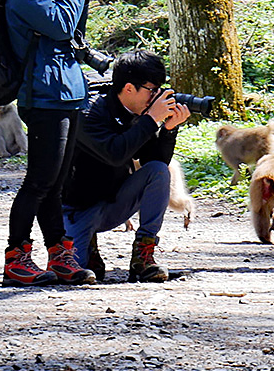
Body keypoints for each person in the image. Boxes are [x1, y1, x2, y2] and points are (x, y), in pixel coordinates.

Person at [0, 0, 96, 286]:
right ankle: (16, 257)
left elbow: (71, 32)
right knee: (39, 181)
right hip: (44, 95)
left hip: (66, 92)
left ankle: (59, 255)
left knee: (57, 182)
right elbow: (60, 25)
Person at [63, 50, 190, 283]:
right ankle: (88, 245)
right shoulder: (88, 111)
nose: (156, 97)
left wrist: (169, 129)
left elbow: (155, 161)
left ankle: (143, 257)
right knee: (78, 273)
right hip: (77, 208)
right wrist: (151, 119)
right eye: (152, 90)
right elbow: (114, 154)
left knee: (159, 172)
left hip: (113, 202)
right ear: (129, 88)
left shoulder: (138, 111)